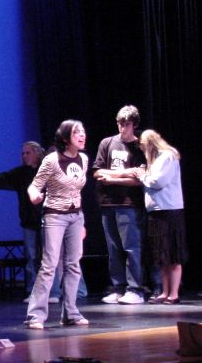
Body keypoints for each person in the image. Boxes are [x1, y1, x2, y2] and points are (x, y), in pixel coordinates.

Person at [25, 119, 89, 330]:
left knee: (73, 265)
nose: (82, 136)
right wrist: (35, 196)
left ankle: (70, 312)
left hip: (75, 217)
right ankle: (35, 315)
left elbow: (77, 191)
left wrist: (83, 222)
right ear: (64, 138)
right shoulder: (52, 160)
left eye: (83, 132)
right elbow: (34, 186)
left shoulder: (84, 159)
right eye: (76, 133)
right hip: (54, 216)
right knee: (49, 264)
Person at [0, 141, 60, 303]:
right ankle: (33, 292)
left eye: (28, 152)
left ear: (37, 153)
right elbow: (5, 177)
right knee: (31, 258)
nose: (24, 156)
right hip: (28, 221)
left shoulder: (47, 170)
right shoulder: (21, 173)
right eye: (23, 153)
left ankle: (53, 292)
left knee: (49, 257)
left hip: (48, 219)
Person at [92, 105, 145, 304]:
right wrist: (125, 173)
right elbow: (97, 172)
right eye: (120, 124)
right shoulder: (107, 143)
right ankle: (119, 287)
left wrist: (112, 177)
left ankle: (136, 289)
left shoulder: (139, 146)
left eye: (127, 124)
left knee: (131, 247)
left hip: (129, 203)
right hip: (107, 203)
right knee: (113, 248)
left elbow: (139, 178)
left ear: (134, 125)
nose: (122, 128)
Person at [131, 129, 188, 304]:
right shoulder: (155, 160)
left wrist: (142, 176)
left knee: (173, 253)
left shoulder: (167, 157)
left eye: (142, 145)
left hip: (169, 211)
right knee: (161, 255)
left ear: (149, 143)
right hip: (156, 211)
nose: (141, 149)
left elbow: (158, 182)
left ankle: (174, 294)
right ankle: (164, 292)